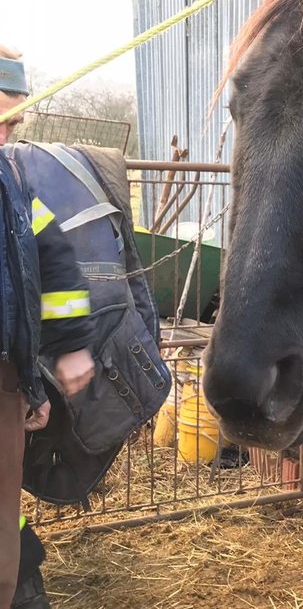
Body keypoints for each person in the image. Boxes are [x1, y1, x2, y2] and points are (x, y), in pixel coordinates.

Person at [0, 45, 96, 609]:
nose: (9, 129)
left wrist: (63, 352)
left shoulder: (13, 183)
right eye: (4, 115)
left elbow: (54, 261)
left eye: (15, 118)